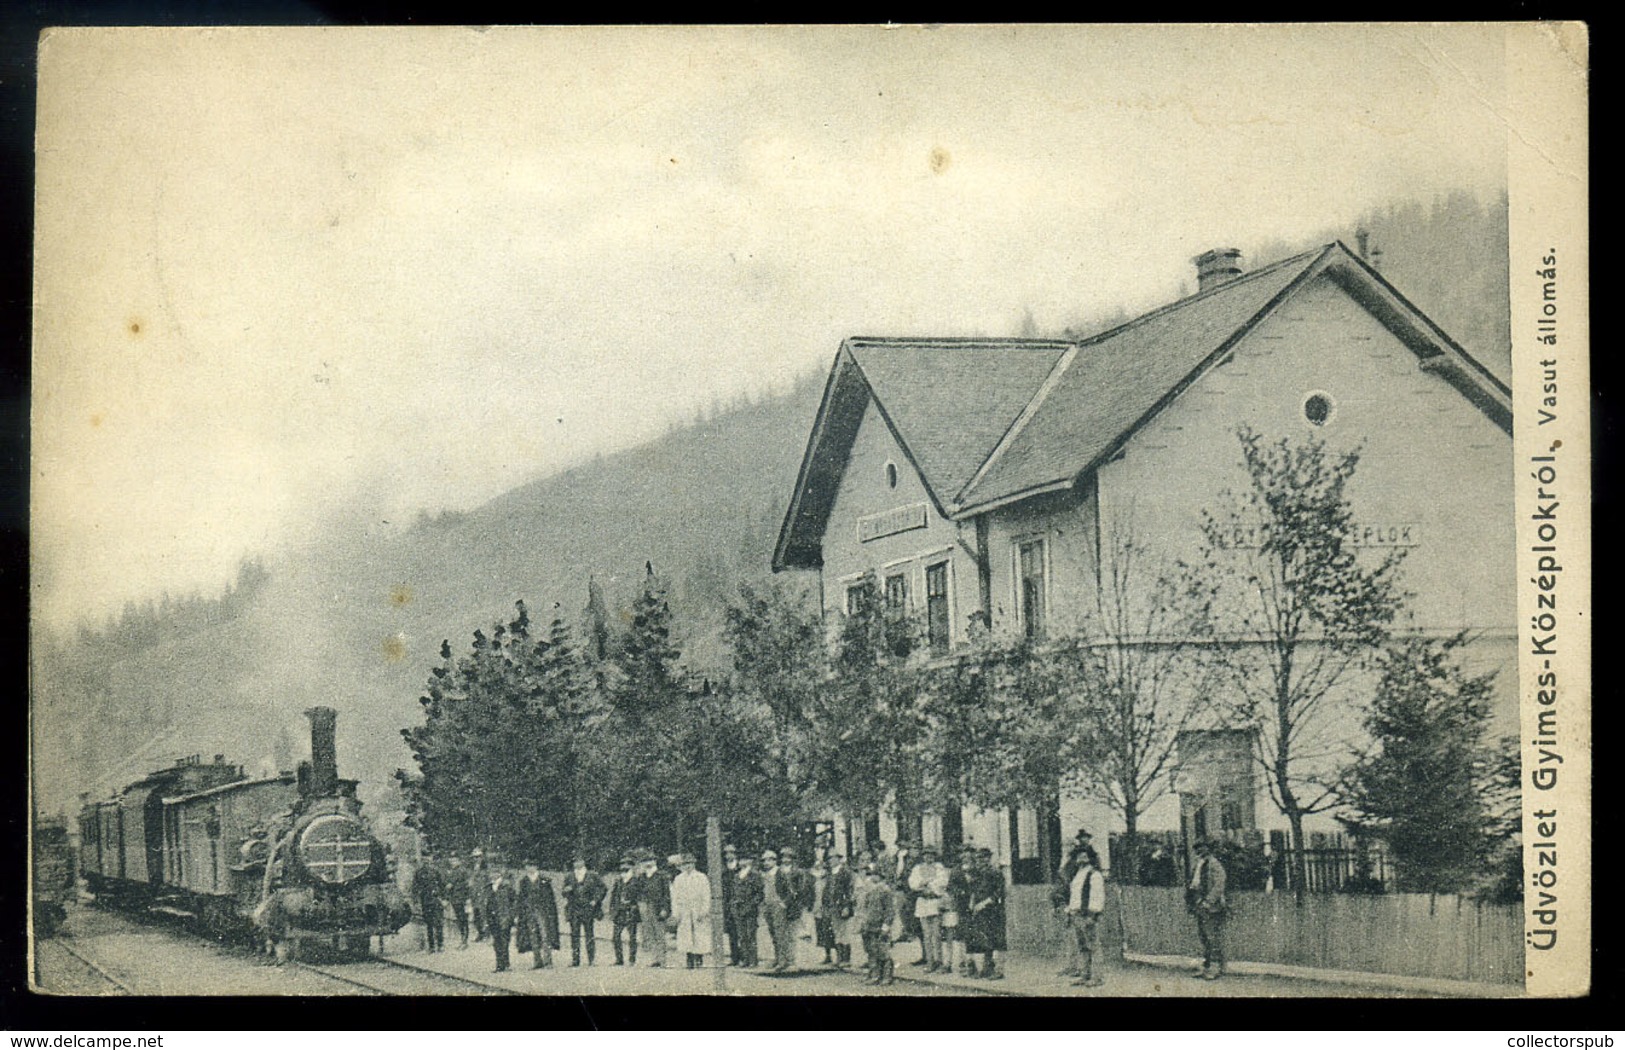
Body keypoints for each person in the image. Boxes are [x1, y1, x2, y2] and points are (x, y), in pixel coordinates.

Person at [1064, 844, 1107, 987]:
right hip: (1076, 914)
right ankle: (1085, 975)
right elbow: (1074, 896)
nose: (1081, 858)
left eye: (1085, 855)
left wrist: (1092, 915)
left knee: (1094, 946)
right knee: (1082, 947)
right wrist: (1070, 910)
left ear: (1090, 858)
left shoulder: (1094, 874)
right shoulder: (1077, 874)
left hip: (1087, 915)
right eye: (1079, 856)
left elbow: (1097, 896)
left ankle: (1097, 977)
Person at [1188, 838, 1229, 980]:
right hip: (1199, 904)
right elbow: (1194, 883)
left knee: (1212, 937)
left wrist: (1209, 901)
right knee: (1204, 937)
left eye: (1202, 847)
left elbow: (1219, 884)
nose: (1199, 850)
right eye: (1197, 847)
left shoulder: (1214, 864)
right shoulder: (1199, 864)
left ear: (1208, 848)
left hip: (1211, 906)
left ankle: (1217, 968)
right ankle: (1206, 967)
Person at [964, 847, 1006, 979]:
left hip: (994, 910)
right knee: (985, 940)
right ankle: (987, 968)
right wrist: (973, 902)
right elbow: (974, 891)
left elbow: (1000, 893)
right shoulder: (978, 874)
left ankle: (998, 971)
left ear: (989, 858)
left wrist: (985, 903)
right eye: (979, 858)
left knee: (996, 940)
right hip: (981, 912)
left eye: (984, 858)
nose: (981, 860)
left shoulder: (995, 872)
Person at [907, 846, 951, 972]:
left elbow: (942, 882)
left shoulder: (939, 867)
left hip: (935, 902)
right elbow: (913, 884)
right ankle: (930, 961)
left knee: (936, 934)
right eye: (926, 855)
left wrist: (928, 885)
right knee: (926, 934)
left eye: (931, 855)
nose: (929, 857)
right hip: (922, 903)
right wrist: (925, 882)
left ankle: (939, 960)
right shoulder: (917, 868)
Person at [561, 854, 607, 966]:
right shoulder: (569, 876)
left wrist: (596, 900)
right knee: (574, 935)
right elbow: (563, 892)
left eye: (579, 861)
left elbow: (603, 888)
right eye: (575, 862)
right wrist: (567, 890)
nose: (577, 863)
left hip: (588, 908)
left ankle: (591, 960)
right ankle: (575, 960)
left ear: (583, 862)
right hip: (574, 908)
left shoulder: (592, 875)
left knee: (589, 934)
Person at [671, 852, 711, 969]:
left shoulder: (701, 877)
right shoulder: (678, 879)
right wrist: (676, 913)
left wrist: (704, 911)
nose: (687, 866)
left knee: (699, 934)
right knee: (686, 934)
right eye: (685, 864)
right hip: (684, 910)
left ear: (694, 864)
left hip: (697, 908)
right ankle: (689, 958)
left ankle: (699, 958)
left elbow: (706, 895)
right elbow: (675, 897)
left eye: (690, 863)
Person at [858, 863, 896, 985]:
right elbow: (866, 908)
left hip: (880, 926)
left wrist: (886, 926)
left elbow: (890, 911)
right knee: (871, 951)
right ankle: (874, 974)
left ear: (881, 876)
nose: (872, 877)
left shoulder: (885, 890)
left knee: (883, 952)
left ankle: (886, 976)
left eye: (874, 874)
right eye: (871, 874)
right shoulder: (870, 890)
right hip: (869, 924)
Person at [517, 859, 560, 969]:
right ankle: (537, 961)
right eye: (527, 866)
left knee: (545, 935)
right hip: (529, 912)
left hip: (543, 912)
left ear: (536, 867)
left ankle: (548, 961)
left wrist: (551, 912)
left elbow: (550, 899)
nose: (528, 868)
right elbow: (521, 899)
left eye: (531, 865)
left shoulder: (545, 880)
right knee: (533, 936)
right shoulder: (524, 881)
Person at [759, 849, 796, 972]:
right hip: (768, 906)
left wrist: (783, 903)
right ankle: (777, 957)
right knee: (773, 933)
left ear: (774, 861)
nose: (766, 863)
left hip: (777, 907)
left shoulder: (780, 873)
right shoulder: (765, 875)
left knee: (780, 934)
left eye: (768, 860)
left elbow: (791, 892)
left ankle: (783, 960)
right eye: (764, 860)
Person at [729, 853, 763, 968]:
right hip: (738, 909)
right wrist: (734, 905)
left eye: (745, 860)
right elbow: (733, 892)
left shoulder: (755, 875)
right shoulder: (737, 875)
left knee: (750, 935)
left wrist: (751, 905)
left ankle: (753, 960)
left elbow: (759, 894)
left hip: (750, 909)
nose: (742, 862)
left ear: (750, 861)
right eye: (741, 859)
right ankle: (745, 959)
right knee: (741, 936)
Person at [637, 851, 671, 968]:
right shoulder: (642, 877)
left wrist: (665, 908)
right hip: (645, 907)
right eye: (646, 861)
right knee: (649, 934)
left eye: (650, 861)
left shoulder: (661, 876)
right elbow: (638, 892)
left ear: (655, 862)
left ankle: (662, 960)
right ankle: (654, 958)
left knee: (659, 934)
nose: (648, 863)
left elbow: (666, 894)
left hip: (657, 908)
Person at [825, 851, 857, 969]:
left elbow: (849, 890)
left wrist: (846, 906)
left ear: (839, 859)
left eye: (833, 858)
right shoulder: (830, 873)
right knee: (836, 932)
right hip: (832, 906)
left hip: (842, 905)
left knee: (845, 932)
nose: (831, 861)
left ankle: (846, 958)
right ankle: (839, 957)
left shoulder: (845, 872)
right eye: (829, 859)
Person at [609, 853, 641, 966]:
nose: (624, 868)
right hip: (619, 912)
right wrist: (612, 911)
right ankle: (619, 959)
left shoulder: (636, 881)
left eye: (627, 865)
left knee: (632, 937)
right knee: (615, 937)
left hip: (631, 911)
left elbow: (640, 896)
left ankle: (632, 959)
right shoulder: (618, 881)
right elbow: (613, 897)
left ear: (632, 867)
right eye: (622, 865)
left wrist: (635, 906)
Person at [485, 859, 516, 972]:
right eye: (491, 872)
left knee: (504, 941)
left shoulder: (507, 886)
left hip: (504, 917)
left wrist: (512, 917)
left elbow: (513, 902)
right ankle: (499, 964)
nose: (492, 875)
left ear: (499, 874)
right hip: (492, 918)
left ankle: (506, 964)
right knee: (496, 941)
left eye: (495, 872)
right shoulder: (489, 887)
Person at [411, 855, 446, 953]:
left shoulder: (436, 871)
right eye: (424, 860)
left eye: (428, 860)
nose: (426, 862)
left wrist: (444, 899)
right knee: (429, 924)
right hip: (425, 901)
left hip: (436, 900)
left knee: (439, 923)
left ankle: (440, 945)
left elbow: (442, 885)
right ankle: (431, 947)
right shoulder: (418, 873)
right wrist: (416, 901)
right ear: (422, 861)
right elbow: (414, 887)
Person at [444, 854, 471, 949]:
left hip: (461, 898)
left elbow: (467, 885)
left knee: (462, 919)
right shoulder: (453, 871)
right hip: (455, 898)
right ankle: (463, 940)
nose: (452, 863)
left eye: (455, 861)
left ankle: (464, 941)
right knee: (459, 919)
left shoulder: (461, 871)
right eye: (451, 861)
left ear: (459, 861)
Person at [469, 849, 490, 942]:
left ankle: (486, 934)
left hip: (483, 895)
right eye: (474, 857)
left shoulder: (486, 869)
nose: (476, 859)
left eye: (478, 857)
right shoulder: (472, 869)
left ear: (481, 857)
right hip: (475, 895)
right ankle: (480, 933)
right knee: (476, 915)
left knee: (484, 915)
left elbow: (489, 883)